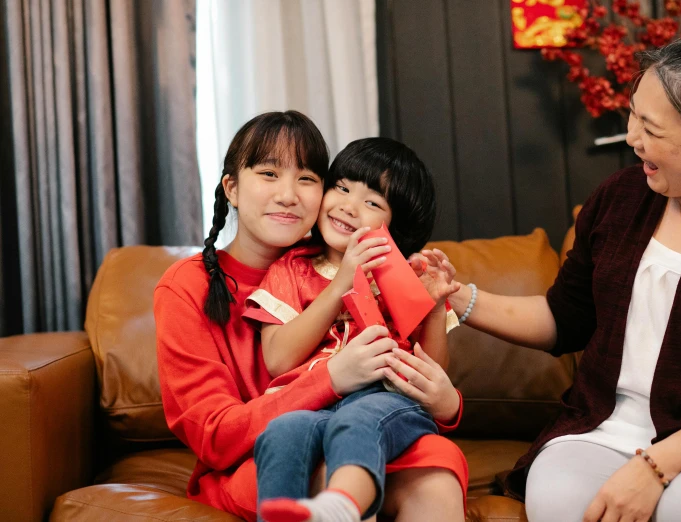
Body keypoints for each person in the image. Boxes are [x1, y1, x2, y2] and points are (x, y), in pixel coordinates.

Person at [440, 26, 681, 522]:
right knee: (559, 500)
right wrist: (458, 297)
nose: (632, 138)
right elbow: (564, 318)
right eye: (634, 115)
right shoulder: (621, 198)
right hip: (603, 429)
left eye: (653, 130)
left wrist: (654, 468)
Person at [154, 112, 468, 522]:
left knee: (437, 464)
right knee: (334, 462)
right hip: (264, 458)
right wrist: (332, 377)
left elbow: (417, 366)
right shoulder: (188, 285)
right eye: (268, 173)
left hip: (368, 428)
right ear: (231, 187)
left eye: (306, 179)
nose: (288, 195)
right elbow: (214, 434)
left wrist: (447, 403)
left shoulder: (362, 263)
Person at [243, 137, 463, 522]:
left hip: (389, 403)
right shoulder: (289, 270)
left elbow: (433, 375)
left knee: (357, 418)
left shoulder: (403, 276)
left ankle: (342, 505)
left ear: (396, 226)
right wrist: (342, 282)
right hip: (309, 404)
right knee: (282, 431)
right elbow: (278, 360)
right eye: (341, 188)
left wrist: (433, 308)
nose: (348, 205)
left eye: (372, 202)